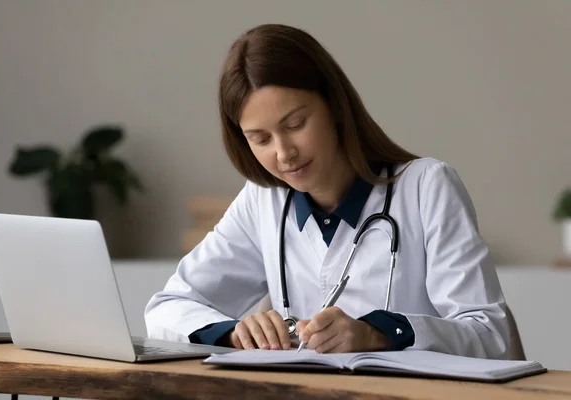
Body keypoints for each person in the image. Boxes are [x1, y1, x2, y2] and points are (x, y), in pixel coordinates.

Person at [145, 23, 512, 359]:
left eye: (295, 124)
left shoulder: (426, 187)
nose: (283, 153)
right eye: (260, 138)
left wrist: (379, 333)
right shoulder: (264, 200)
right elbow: (167, 308)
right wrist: (235, 334)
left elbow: (491, 336)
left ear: (335, 107)